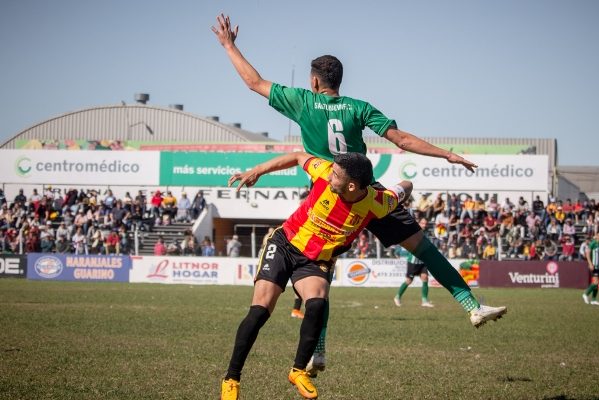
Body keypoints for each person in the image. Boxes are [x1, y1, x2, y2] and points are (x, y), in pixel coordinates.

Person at [212, 12, 506, 376]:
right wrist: (445, 153)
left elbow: (253, 82)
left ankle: (318, 352)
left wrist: (228, 45)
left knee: (320, 271)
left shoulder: (303, 100)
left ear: (315, 81)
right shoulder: (359, 107)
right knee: (422, 247)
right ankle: (470, 305)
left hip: (327, 194)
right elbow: (400, 139)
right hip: (367, 192)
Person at [219, 151, 411, 400]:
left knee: (318, 303)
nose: (330, 175)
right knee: (260, 310)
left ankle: (298, 370)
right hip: (285, 245)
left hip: (315, 260)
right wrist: (257, 170)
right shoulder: (324, 171)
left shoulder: (378, 202)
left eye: (336, 174)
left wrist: (398, 188)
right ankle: (232, 378)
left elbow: (407, 185)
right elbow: (298, 156)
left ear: (352, 185)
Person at [582, 231, 599, 306]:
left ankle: (594, 300)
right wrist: (590, 264)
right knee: (596, 282)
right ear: (596, 236)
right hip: (594, 265)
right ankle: (585, 294)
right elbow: (587, 254)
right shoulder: (593, 243)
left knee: (597, 284)